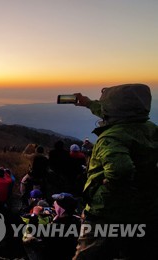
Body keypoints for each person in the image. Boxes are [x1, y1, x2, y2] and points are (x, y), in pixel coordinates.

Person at [71, 84, 158, 259]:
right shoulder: (149, 128)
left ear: (114, 110)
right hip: (146, 210)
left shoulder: (112, 137)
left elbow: (120, 169)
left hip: (106, 213)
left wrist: (107, 186)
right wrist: (88, 103)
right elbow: (119, 113)